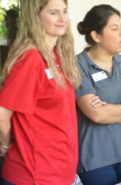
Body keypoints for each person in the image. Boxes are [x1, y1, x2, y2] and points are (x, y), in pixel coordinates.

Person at [0, 0, 81, 184]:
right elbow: (2, 113)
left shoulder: (58, 54)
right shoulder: (30, 58)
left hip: (61, 171)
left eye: (65, 11)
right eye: (53, 13)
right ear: (36, 17)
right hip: (35, 174)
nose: (62, 18)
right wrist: (5, 144)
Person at [76, 5, 121, 185]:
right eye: (115, 29)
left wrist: (111, 112)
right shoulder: (78, 65)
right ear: (96, 36)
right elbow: (97, 114)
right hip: (96, 157)